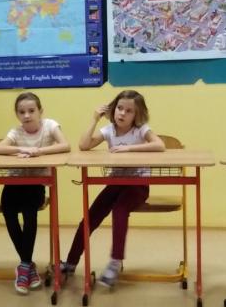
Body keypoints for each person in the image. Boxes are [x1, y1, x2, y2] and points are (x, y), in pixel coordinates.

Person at [60, 89, 165, 289]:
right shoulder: (109, 130)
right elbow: (83, 145)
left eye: (129, 111)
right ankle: (71, 262)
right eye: (119, 108)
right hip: (115, 183)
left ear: (137, 115)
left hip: (138, 185)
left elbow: (160, 145)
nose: (122, 113)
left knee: (119, 210)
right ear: (113, 109)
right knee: (90, 217)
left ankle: (115, 262)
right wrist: (94, 119)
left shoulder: (141, 130)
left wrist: (128, 148)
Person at [0, 91, 69, 294]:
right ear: (17, 114)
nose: (27, 115)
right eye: (22, 112)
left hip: (36, 183)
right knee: (8, 212)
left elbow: (65, 145)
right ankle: (27, 264)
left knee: (29, 214)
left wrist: (38, 151)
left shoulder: (50, 125)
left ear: (40, 111)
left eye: (31, 111)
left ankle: (24, 265)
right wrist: (22, 150)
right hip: (14, 182)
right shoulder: (16, 132)